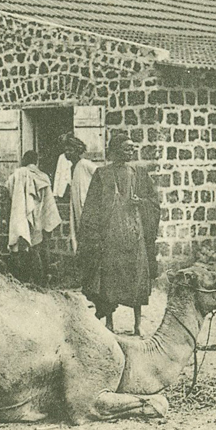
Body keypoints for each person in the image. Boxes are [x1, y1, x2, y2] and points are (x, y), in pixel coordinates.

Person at [77, 131, 160, 336]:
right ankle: (110, 322)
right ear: (115, 151)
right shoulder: (102, 174)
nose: (131, 151)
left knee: (137, 277)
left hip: (135, 234)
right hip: (111, 235)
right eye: (126, 148)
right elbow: (92, 207)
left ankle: (137, 324)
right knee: (110, 279)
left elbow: (154, 202)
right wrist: (93, 235)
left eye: (132, 147)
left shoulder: (140, 174)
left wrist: (140, 202)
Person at [5, 150, 62, 285]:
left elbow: (7, 188)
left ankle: (25, 277)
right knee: (40, 246)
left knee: (25, 246)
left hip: (22, 214)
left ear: (24, 160)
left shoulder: (17, 174)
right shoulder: (43, 177)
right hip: (39, 215)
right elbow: (48, 200)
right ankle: (41, 279)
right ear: (36, 161)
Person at [64, 137, 98, 253]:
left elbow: (100, 176)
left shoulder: (85, 164)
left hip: (88, 209)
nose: (67, 153)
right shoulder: (72, 167)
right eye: (66, 150)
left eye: (70, 150)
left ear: (78, 150)